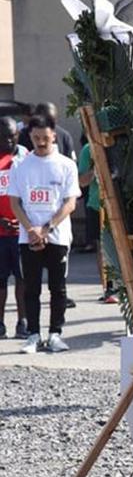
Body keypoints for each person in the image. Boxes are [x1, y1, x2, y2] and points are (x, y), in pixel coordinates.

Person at [9, 115, 81, 354]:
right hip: (27, 237)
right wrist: (31, 230)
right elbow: (15, 202)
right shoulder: (21, 165)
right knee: (31, 287)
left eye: (45, 137)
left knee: (58, 288)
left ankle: (55, 333)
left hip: (57, 236)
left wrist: (47, 228)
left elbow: (70, 202)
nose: (40, 142)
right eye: (36, 137)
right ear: (29, 136)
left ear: (53, 135)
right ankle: (33, 334)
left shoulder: (66, 165)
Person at [78, 142, 118, 304]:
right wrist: (95, 170)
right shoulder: (89, 149)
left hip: (121, 203)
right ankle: (108, 287)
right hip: (98, 204)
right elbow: (82, 181)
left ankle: (126, 285)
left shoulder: (119, 142)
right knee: (103, 247)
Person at [0, 117, 27, 338]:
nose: (9, 140)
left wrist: (23, 219)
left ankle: (23, 322)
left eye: (12, 136)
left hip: (22, 232)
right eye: (3, 137)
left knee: (23, 279)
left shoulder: (26, 158)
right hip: (0, 233)